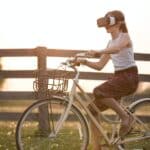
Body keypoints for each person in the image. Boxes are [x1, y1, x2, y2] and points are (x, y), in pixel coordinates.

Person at [76, 10, 139, 149]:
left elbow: (116, 49)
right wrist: (85, 61)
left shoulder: (125, 37)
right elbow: (99, 65)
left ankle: (125, 117)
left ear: (120, 23)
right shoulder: (110, 43)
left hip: (129, 77)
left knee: (98, 91)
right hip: (118, 78)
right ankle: (97, 146)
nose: (106, 25)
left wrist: (98, 51)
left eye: (109, 21)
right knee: (91, 109)